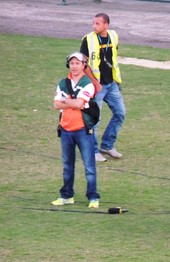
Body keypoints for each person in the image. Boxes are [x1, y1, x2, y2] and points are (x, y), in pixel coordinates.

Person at [51, 52, 100, 209]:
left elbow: (78, 103)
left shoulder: (88, 83)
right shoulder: (63, 83)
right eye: (72, 63)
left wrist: (64, 100)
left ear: (83, 65)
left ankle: (93, 197)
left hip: (82, 130)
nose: (74, 66)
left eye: (77, 63)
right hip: (65, 129)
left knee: (89, 166)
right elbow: (56, 105)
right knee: (67, 165)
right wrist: (70, 102)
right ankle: (66, 195)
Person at [80, 13, 126, 163]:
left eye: (98, 23)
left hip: (111, 83)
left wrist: (115, 80)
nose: (94, 26)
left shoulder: (113, 36)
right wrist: (95, 82)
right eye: (93, 23)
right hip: (97, 86)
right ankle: (93, 151)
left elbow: (112, 57)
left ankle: (107, 146)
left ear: (106, 25)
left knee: (120, 113)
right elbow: (83, 64)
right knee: (95, 119)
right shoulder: (88, 39)